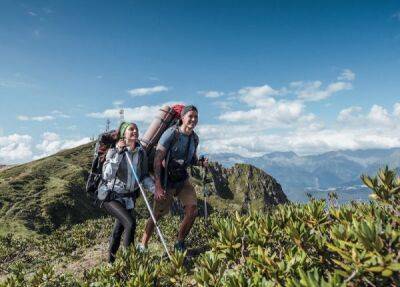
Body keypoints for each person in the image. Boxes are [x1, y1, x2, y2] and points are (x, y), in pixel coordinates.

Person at [140, 105, 208, 252]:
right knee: (157, 214)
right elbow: (157, 160)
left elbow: (191, 160)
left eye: (196, 117)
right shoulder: (171, 134)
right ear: (182, 118)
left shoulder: (194, 138)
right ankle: (143, 244)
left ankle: (179, 242)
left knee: (193, 210)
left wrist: (200, 163)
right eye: (190, 116)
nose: (193, 119)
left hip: (182, 180)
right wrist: (157, 186)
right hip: (166, 181)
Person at [98, 122, 155, 263]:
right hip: (111, 196)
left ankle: (111, 263)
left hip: (128, 198)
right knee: (130, 223)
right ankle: (129, 263)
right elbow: (107, 175)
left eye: (136, 129)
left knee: (119, 229)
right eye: (131, 129)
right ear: (124, 134)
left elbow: (143, 176)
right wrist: (118, 154)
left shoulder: (141, 153)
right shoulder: (113, 151)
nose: (135, 131)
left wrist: (155, 189)